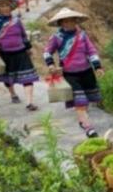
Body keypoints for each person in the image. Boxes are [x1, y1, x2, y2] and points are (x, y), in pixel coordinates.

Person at [43, 8, 104, 138]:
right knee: (80, 101)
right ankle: (89, 128)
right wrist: (51, 65)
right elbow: (47, 52)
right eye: (66, 21)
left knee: (86, 100)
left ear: (76, 21)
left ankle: (83, 120)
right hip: (70, 74)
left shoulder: (82, 35)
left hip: (86, 71)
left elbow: (91, 51)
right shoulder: (56, 38)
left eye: (72, 21)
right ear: (61, 23)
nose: (69, 23)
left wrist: (97, 66)